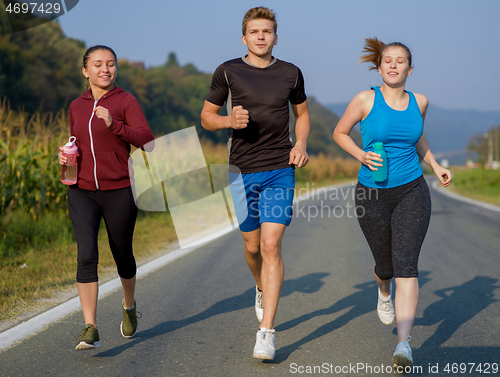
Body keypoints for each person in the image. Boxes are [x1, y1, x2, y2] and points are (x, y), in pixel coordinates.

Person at [333, 37, 452, 369]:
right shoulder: (365, 99)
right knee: (384, 267)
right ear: (380, 66)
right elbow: (339, 133)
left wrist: (436, 165)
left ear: (410, 69)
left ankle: (404, 344)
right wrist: (361, 154)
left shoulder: (421, 101)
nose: (394, 64)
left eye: (401, 60)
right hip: (371, 192)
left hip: (412, 189)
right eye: (388, 59)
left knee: (406, 266)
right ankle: (383, 291)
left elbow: (418, 138)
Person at [200, 7, 310, 360]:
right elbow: (206, 117)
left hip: (280, 168)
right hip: (240, 171)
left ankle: (267, 332)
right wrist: (228, 119)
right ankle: (261, 286)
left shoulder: (291, 73)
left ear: (276, 36)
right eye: (255, 31)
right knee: (251, 247)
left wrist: (302, 144)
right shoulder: (228, 71)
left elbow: (303, 114)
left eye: (267, 31)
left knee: (271, 245)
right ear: (244, 37)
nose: (261, 36)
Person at [58, 45, 154, 350]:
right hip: (81, 190)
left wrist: (115, 124)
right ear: (85, 71)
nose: (105, 69)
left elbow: (147, 142)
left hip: (119, 190)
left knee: (122, 254)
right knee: (86, 255)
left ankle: (128, 305)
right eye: (98, 64)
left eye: (110, 64)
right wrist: (66, 155)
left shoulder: (126, 101)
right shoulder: (76, 106)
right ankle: (90, 326)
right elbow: (78, 142)